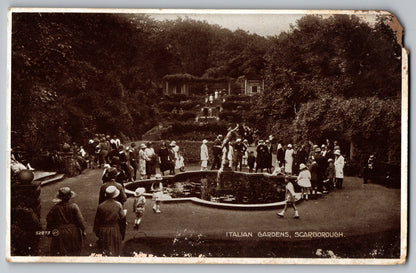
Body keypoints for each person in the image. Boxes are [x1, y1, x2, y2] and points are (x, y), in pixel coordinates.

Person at [46, 187, 86, 256]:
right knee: (74, 251)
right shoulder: (74, 206)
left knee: (61, 252)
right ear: (70, 196)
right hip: (73, 231)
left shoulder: (55, 208)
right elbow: (80, 220)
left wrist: (51, 229)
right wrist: (83, 229)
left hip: (60, 231)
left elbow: (49, 218)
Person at [93, 185, 126, 256]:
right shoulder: (118, 205)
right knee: (115, 247)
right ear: (115, 196)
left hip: (103, 229)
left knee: (105, 248)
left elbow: (97, 220)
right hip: (114, 228)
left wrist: (97, 231)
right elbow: (122, 218)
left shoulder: (101, 206)